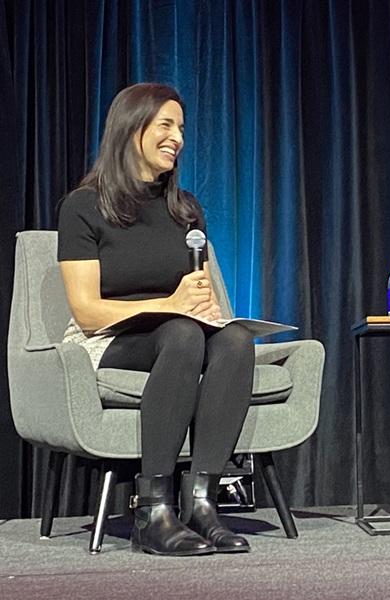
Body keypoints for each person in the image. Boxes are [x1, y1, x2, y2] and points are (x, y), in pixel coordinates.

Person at [57, 83, 254, 555]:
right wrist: (172, 306)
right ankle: (152, 510)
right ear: (131, 129)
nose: (177, 137)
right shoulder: (84, 207)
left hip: (173, 334)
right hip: (107, 338)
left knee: (236, 340)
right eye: (165, 124)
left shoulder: (185, 211)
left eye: (181, 127)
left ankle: (203, 505)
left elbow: (198, 295)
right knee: (183, 333)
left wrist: (208, 311)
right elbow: (86, 312)